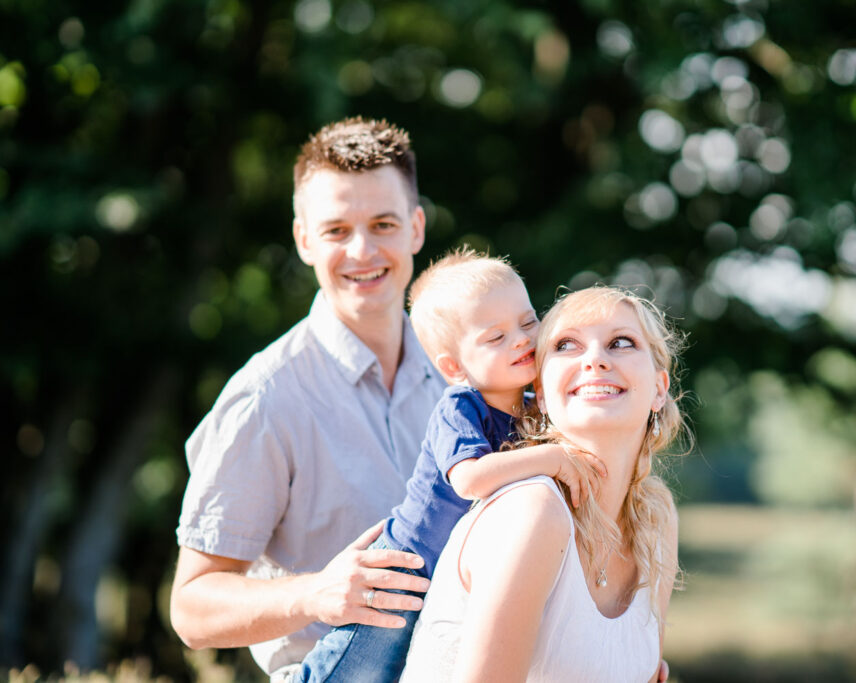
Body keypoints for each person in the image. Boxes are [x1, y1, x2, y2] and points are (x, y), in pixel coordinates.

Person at [170, 117, 445, 682]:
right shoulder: (265, 398)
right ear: (303, 240)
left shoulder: (462, 372)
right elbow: (192, 608)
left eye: (383, 223)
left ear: (416, 228)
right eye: (337, 230)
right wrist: (317, 595)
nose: (362, 250)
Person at [295, 249, 604, 683]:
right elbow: (470, 478)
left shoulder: (540, 408)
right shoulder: (460, 406)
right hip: (404, 567)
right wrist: (553, 457)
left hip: (453, 581)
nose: (521, 339)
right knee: (358, 666)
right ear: (454, 367)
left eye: (528, 322)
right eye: (495, 338)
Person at [401, 286, 690, 682]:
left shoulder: (657, 518)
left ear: (659, 388)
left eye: (620, 342)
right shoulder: (532, 510)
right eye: (567, 345)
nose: (594, 360)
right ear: (540, 393)